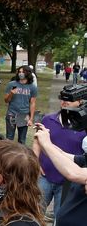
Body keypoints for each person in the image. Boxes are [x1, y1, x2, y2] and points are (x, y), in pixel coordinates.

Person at [32, 86, 86, 218]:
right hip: (44, 177)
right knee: (34, 215)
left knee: (60, 219)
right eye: (63, 99)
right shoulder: (47, 119)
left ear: (80, 102)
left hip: (68, 183)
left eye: (70, 100)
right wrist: (35, 163)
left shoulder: (84, 127)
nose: (64, 102)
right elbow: (38, 141)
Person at [4, 65, 37, 144]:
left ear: (28, 73)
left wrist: (31, 118)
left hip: (23, 115)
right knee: (9, 138)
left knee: (22, 140)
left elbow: (32, 103)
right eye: (19, 72)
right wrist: (11, 93)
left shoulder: (32, 87)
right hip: (11, 113)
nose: (21, 74)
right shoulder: (11, 84)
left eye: (23, 72)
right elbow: (6, 100)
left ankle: (21, 155)